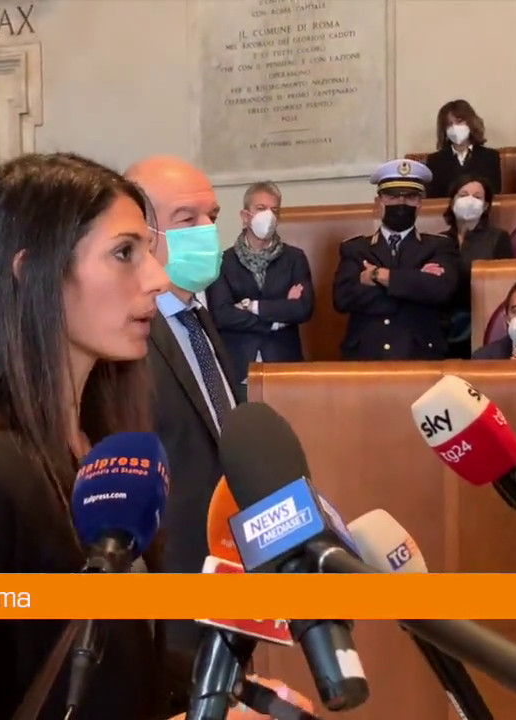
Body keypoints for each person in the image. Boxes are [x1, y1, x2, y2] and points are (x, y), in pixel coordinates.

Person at [0, 153, 305, 720]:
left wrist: (226, 696)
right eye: (124, 253)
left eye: (148, 250)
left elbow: (113, 660)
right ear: (33, 272)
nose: (156, 277)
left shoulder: (105, 448)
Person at [122, 155, 238, 654]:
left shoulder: (197, 316)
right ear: (142, 235)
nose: (207, 231)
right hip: (169, 592)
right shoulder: (126, 339)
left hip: (224, 571)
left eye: (212, 216)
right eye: (187, 220)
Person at [333, 158, 459, 360]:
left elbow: (442, 290)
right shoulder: (355, 249)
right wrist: (414, 285)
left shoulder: (438, 246)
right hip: (365, 354)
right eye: (392, 196)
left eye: (410, 197)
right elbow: (342, 299)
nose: (401, 203)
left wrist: (378, 275)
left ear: (419, 204)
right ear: (379, 202)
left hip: (420, 353)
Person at [207, 180, 314, 383]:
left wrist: (251, 306)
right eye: (261, 208)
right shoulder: (223, 262)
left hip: (284, 362)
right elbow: (222, 315)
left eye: (274, 210)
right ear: (245, 216)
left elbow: (302, 309)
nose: (269, 216)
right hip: (239, 364)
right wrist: (276, 319)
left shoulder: (294, 258)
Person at [442, 175, 513, 359]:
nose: (469, 200)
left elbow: (503, 287)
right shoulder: (439, 240)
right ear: (452, 201)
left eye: (477, 196)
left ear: (486, 206)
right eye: (463, 195)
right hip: (441, 320)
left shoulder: (498, 238)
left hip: (478, 319)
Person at [424, 99, 502, 198]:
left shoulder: (490, 157)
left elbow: (494, 194)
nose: (454, 128)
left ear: (471, 122)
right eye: (449, 124)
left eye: (459, 121)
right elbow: (434, 199)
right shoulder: (434, 161)